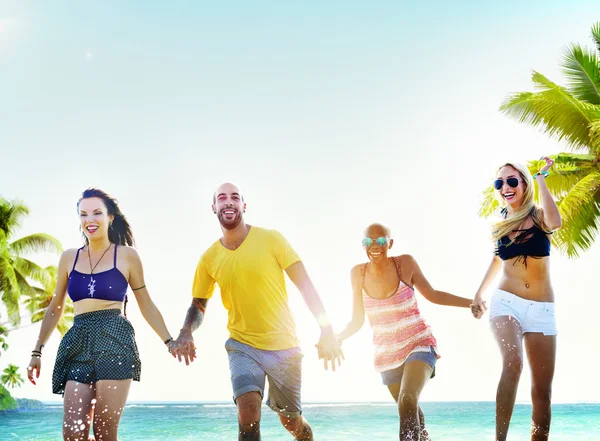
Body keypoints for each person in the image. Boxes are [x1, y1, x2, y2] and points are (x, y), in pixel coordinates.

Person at [171, 182, 343, 441]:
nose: (228, 201)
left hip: (284, 346)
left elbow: (304, 285)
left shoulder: (271, 239)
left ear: (243, 205)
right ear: (214, 207)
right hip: (242, 346)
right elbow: (198, 304)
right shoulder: (209, 258)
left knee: (292, 422)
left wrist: (326, 328)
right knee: (247, 412)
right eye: (222, 198)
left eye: (234, 197)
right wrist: (186, 331)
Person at [27, 188, 175, 441]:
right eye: (83, 214)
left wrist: (169, 341)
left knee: (105, 430)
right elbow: (56, 308)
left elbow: (146, 303)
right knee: (73, 432)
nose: (90, 220)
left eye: (97, 213)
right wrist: (37, 351)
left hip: (114, 338)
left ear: (110, 217)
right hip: (77, 340)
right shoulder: (69, 258)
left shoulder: (127, 256)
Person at [336, 222, 474, 441]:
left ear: (390, 243)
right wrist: (337, 338)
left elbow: (433, 294)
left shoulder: (405, 264)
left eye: (380, 241)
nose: (374, 246)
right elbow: (357, 319)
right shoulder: (357, 273)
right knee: (409, 407)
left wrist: (471, 303)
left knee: (408, 399)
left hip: (418, 342)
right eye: (368, 241)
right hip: (386, 354)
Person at [471, 157, 561, 441]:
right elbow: (497, 259)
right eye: (500, 183)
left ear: (524, 183)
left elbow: (555, 222)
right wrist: (479, 293)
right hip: (506, 302)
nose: (505, 187)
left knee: (542, 392)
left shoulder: (537, 214)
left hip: (542, 309)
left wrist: (541, 179)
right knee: (512, 361)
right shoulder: (500, 222)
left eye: (512, 181)